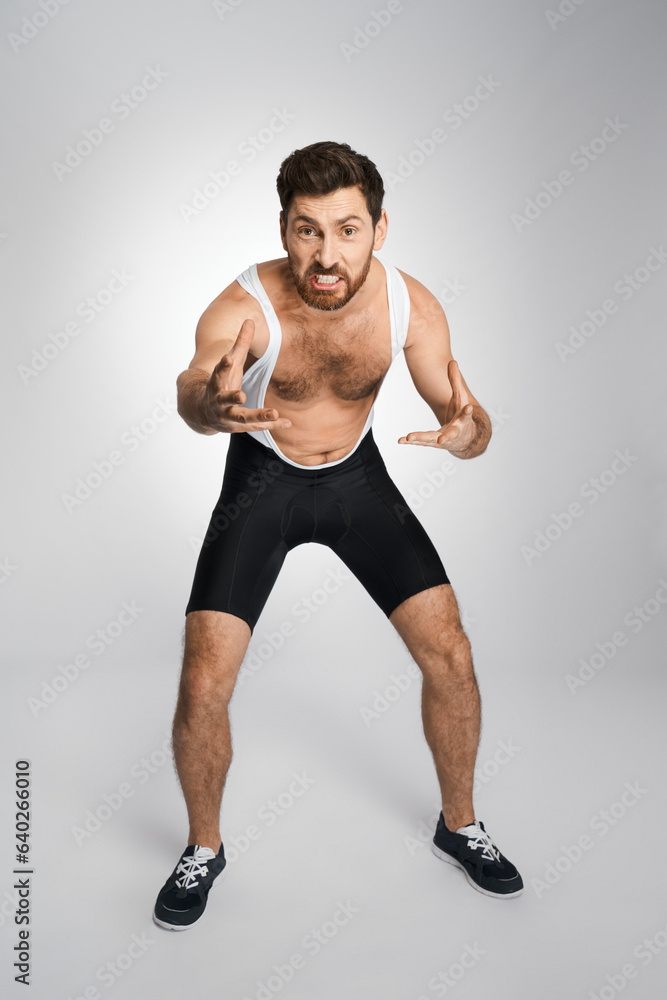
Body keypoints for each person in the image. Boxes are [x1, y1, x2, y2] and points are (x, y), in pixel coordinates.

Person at [153, 140, 523, 931]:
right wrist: (210, 408)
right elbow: (195, 384)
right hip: (262, 483)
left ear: (379, 229)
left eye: (346, 230)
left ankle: (459, 825)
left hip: (356, 483)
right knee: (202, 683)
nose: (326, 254)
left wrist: (469, 434)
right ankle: (204, 849)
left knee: (449, 651)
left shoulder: (409, 306)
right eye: (307, 230)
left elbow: (464, 413)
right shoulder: (245, 304)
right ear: (284, 230)